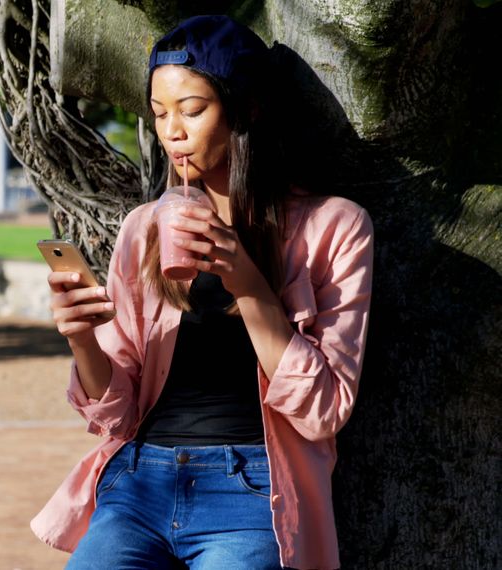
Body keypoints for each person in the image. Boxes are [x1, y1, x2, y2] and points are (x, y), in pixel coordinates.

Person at [31, 15, 374, 570]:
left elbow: (324, 411)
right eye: (160, 114)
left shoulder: (332, 228)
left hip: (253, 488)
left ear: (247, 109)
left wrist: (250, 284)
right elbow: (114, 415)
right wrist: (82, 342)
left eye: (192, 110)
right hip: (139, 484)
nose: (173, 131)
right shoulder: (144, 228)